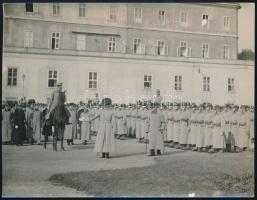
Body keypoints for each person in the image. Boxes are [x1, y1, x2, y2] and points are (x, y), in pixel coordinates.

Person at [48, 83, 70, 151]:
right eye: (59, 86)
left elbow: (65, 100)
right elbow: (50, 100)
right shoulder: (53, 92)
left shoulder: (62, 92)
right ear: (57, 87)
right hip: (54, 107)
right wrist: (49, 107)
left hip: (61, 106)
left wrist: (65, 95)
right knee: (49, 114)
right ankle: (48, 121)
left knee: (67, 112)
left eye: (61, 87)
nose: (60, 88)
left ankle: (67, 121)